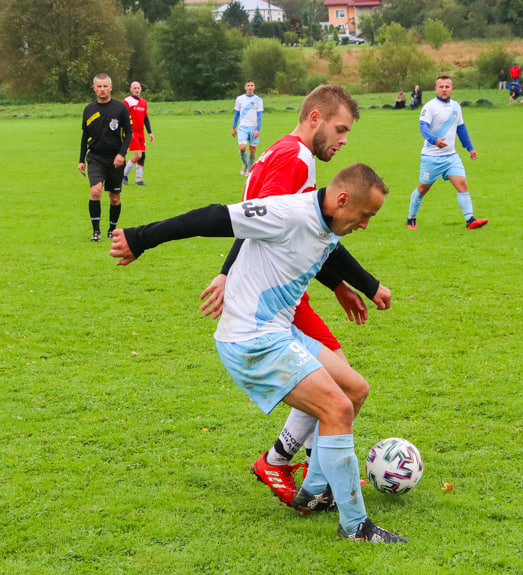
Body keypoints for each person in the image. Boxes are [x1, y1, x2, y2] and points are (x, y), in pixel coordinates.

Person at [109, 163, 407, 543]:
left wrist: (357, 286)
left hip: (280, 330)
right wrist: (140, 238)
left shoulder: (328, 219)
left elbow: (327, 249)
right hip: (251, 338)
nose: (366, 224)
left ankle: (314, 490)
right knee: (338, 409)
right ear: (343, 200)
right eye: (365, 215)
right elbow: (214, 217)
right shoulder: (287, 213)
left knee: (354, 389)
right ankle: (356, 527)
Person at [199, 84, 392, 509]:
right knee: (339, 387)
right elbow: (265, 225)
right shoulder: (298, 160)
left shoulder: (279, 150)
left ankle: (310, 466)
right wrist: (228, 272)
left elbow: (299, 234)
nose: (343, 141)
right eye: (340, 130)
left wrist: (341, 284)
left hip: (283, 286)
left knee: (343, 385)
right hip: (277, 299)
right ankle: (296, 464)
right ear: (315, 119)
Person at [405, 75, 488, 230]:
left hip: (451, 157)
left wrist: (470, 148)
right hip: (431, 158)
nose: (444, 89)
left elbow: (461, 128)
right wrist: (434, 140)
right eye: (441, 87)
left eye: (447, 86)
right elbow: (423, 127)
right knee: (423, 188)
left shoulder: (456, 107)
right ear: (436, 89)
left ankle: (470, 219)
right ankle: (411, 219)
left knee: (462, 184)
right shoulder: (430, 107)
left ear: (452, 89)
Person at [78, 73, 132, 243]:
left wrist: (121, 154)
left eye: (105, 86)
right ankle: (96, 232)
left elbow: (129, 133)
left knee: (114, 197)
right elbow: (85, 135)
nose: (102, 89)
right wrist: (81, 159)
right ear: (94, 88)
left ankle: (112, 229)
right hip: (95, 158)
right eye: (99, 86)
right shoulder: (89, 110)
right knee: (95, 191)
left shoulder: (120, 108)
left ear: (111, 87)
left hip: (115, 159)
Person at [122, 81, 154, 187]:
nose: (137, 89)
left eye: (138, 88)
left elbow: (145, 118)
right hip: (132, 133)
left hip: (141, 133)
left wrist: (150, 132)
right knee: (138, 155)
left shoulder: (143, 102)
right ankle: (123, 175)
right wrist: (126, 130)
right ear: (131, 89)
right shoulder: (127, 101)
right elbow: (123, 116)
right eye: (134, 88)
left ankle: (138, 179)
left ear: (141, 89)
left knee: (142, 156)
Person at [232, 81, 263, 176]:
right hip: (243, 127)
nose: (250, 87)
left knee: (252, 149)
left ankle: (249, 169)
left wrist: (257, 129)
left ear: (254, 87)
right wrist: (233, 127)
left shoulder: (258, 100)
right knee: (242, 148)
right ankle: (245, 164)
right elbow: (236, 114)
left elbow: (259, 116)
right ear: (245, 87)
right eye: (248, 85)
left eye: (252, 85)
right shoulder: (240, 99)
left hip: (253, 127)